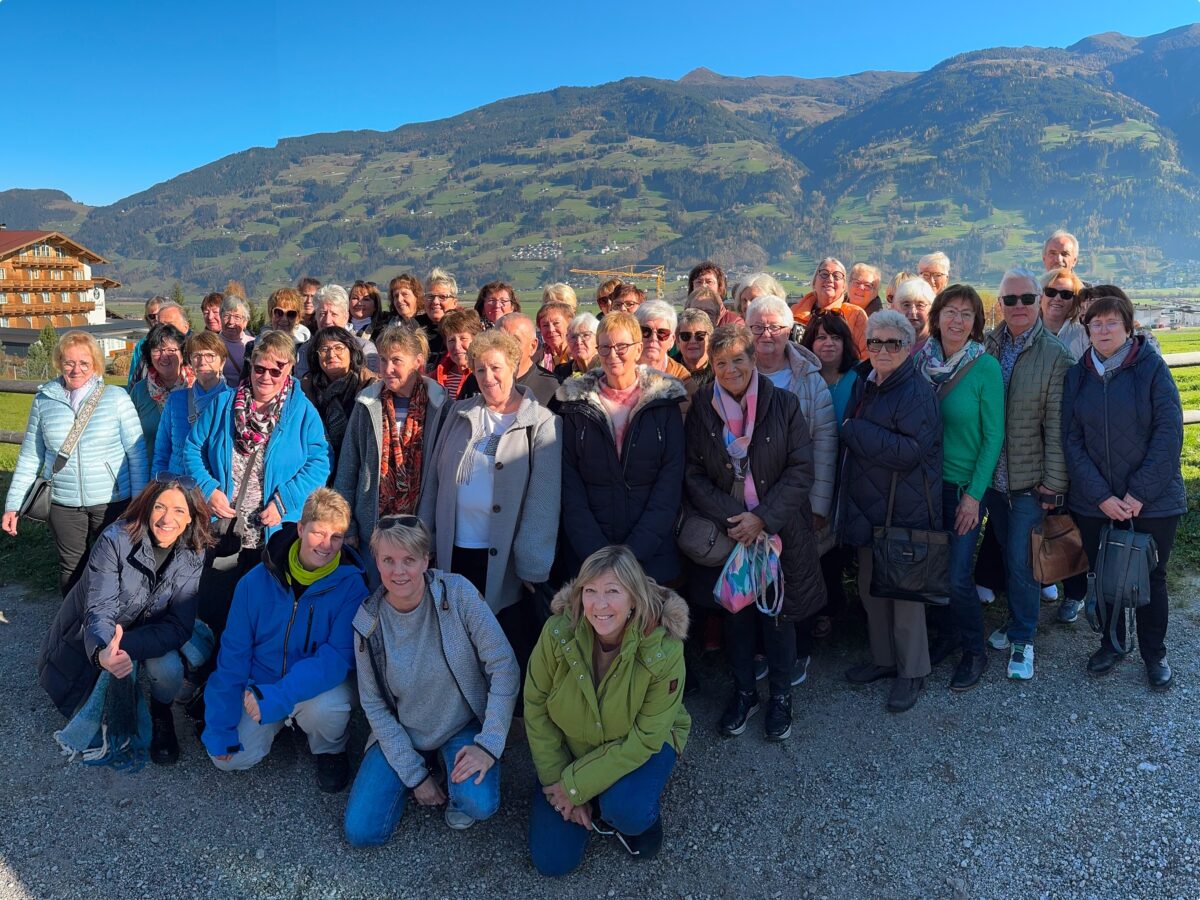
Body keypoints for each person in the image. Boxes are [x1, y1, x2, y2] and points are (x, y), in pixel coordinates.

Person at [684, 324, 826, 740]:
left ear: (754, 360)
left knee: (776, 616)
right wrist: (737, 519)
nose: (731, 370)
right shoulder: (701, 411)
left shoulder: (783, 404)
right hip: (730, 534)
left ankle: (780, 695)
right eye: (721, 363)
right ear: (712, 366)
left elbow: (801, 469)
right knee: (736, 617)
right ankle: (744, 691)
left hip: (777, 532)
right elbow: (693, 476)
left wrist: (762, 517)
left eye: (738, 360)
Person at [344, 516, 519, 842]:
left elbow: (504, 666)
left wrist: (489, 745)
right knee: (361, 831)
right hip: (405, 731)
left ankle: (452, 771)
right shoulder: (367, 622)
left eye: (409, 560)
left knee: (477, 803)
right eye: (388, 560)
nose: (399, 571)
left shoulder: (458, 594)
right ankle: (430, 768)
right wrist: (415, 776)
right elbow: (373, 705)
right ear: (377, 562)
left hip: (461, 724)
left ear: (426, 559)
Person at [525, 545, 690, 875]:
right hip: (573, 749)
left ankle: (626, 813)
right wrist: (558, 778)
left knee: (626, 809)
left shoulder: (664, 648)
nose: (599, 605)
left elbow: (645, 738)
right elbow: (535, 705)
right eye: (590, 591)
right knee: (552, 862)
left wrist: (575, 786)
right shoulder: (558, 632)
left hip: (643, 744)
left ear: (633, 598)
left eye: (612, 591)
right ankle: (592, 800)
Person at [36, 477, 212, 764]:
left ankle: (161, 711)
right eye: (160, 507)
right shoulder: (114, 540)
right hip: (99, 631)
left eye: (179, 510)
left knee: (167, 667)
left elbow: (180, 624)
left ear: (191, 516)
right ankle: (114, 714)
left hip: (143, 631)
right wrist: (104, 651)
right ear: (146, 508)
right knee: (99, 677)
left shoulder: (194, 551)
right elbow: (99, 608)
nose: (168, 519)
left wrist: (125, 646)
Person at [202, 489, 368, 791]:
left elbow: (338, 658)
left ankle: (329, 749)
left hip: (314, 689)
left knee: (327, 708)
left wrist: (280, 695)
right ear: (301, 528)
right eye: (319, 533)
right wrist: (221, 725)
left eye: (337, 537)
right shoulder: (255, 581)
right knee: (228, 759)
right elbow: (233, 655)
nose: (327, 545)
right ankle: (277, 722)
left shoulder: (353, 586)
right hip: (262, 682)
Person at [418, 330, 561, 673]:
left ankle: (509, 720)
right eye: (479, 370)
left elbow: (544, 499)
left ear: (513, 366)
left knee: (506, 647)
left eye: (495, 367)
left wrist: (531, 562)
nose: (488, 377)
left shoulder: (541, 422)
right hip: (456, 550)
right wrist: (424, 538)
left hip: (505, 559)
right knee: (458, 640)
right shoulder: (457, 413)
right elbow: (434, 481)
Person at [1063, 296, 1184, 690]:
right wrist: (1101, 497)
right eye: (1095, 325)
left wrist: (1138, 494)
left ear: (1128, 327)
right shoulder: (1077, 376)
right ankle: (1112, 644)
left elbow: (1169, 434)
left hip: (1154, 500)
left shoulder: (1151, 369)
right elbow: (1072, 441)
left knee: (1152, 577)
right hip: (1097, 502)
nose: (1102, 331)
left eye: (1111, 323)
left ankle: (1154, 654)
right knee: (1106, 575)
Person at [183, 330, 331, 641]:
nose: (266, 376)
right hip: (224, 527)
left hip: (274, 531)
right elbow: (192, 448)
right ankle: (214, 677)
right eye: (259, 368)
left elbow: (320, 463)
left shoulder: (301, 412)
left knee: (266, 615)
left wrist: (284, 501)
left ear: (289, 368)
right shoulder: (224, 404)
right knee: (216, 610)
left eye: (276, 369)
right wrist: (208, 489)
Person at [839, 310, 942, 712]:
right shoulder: (867, 382)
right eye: (876, 342)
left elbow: (909, 452)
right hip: (868, 507)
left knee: (905, 598)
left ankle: (912, 671)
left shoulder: (915, 391)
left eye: (893, 343)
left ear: (908, 347)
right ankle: (884, 660)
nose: (883, 350)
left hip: (905, 509)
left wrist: (855, 431)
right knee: (872, 590)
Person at [982, 268, 1074, 681]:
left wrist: (1053, 483)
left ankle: (1024, 637)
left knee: (1022, 562)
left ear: (1038, 301)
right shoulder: (986, 345)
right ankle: (1018, 621)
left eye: (1026, 298)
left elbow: (1058, 427)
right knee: (1008, 553)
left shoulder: (1055, 356)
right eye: (1009, 300)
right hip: (992, 481)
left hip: (1028, 483)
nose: (1018, 306)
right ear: (999, 305)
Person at [4, 332, 148, 596]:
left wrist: (139, 503)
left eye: (84, 362)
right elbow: (30, 457)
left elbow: (136, 454)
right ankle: (73, 628)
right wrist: (13, 505)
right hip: (63, 503)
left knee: (119, 563)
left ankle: (119, 627)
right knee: (72, 568)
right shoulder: (44, 400)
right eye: (69, 362)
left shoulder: (116, 398)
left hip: (113, 500)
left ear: (95, 364)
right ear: (59, 362)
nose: (76, 369)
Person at [913, 285, 1004, 691]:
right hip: (924, 485)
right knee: (932, 571)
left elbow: (993, 438)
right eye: (951, 311)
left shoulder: (984, 368)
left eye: (967, 314)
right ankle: (948, 635)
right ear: (937, 316)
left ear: (976, 323)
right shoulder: (919, 361)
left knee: (956, 574)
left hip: (964, 486)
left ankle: (974, 650)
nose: (957, 320)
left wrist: (973, 497)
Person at [554, 312, 686, 586]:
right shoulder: (576, 406)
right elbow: (570, 485)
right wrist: (597, 555)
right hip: (589, 557)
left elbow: (669, 484)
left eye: (621, 347)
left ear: (639, 349)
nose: (613, 354)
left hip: (652, 556)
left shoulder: (664, 405)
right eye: (605, 347)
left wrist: (634, 554)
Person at [334, 326, 448, 581]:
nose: (387, 369)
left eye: (397, 360)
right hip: (374, 529)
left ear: (417, 362)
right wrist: (348, 524)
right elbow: (349, 467)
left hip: (420, 529)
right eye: (383, 360)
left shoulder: (440, 406)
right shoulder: (367, 404)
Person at [800, 312, 860, 636]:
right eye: (821, 336)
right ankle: (809, 609)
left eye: (835, 337)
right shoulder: (802, 378)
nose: (827, 343)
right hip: (807, 476)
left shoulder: (856, 379)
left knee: (833, 551)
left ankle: (831, 609)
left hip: (845, 476)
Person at [153, 331, 233, 477]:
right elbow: (161, 453)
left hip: (215, 491)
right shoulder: (176, 400)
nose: (203, 362)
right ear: (190, 362)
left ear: (222, 362)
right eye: (197, 356)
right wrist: (159, 488)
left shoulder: (233, 402)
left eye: (210, 355)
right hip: (178, 489)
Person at [301, 326, 377, 477]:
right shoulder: (305, 388)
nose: (331, 354)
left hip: (360, 468)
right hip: (317, 469)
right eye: (324, 349)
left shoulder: (370, 385)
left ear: (352, 352)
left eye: (339, 348)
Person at [128, 323, 192, 465]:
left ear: (182, 355)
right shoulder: (140, 391)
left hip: (189, 478)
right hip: (150, 476)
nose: (164, 356)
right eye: (157, 350)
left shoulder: (195, 388)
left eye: (171, 350)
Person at [296, 285, 380, 379]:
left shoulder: (364, 348)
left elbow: (372, 383)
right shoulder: (305, 350)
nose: (327, 320)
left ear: (346, 316)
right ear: (316, 317)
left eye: (334, 314)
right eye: (322, 314)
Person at [790, 258, 868, 358]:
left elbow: (865, 357)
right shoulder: (793, 313)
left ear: (844, 286)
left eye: (837, 276)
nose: (830, 279)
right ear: (814, 282)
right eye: (824, 274)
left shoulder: (856, 315)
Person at [431, 308, 482, 401]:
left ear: (475, 339)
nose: (457, 346)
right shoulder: (436, 376)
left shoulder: (483, 374)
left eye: (463, 338)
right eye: (451, 340)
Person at [636, 301, 691, 382]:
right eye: (645, 331)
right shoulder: (621, 368)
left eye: (662, 333)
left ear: (672, 340)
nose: (653, 338)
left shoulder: (681, 377)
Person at [1040, 267, 1088, 360]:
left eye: (1066, 294)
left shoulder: (1083, 336)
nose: (1057, 298)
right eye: (1051, 292)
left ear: (1074, 301)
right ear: (1040, 296)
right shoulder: (1026, 331)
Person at [417, 268, 460, 359]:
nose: (435, 302)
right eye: (430, 296)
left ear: (455, 303)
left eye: (442, 297)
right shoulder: (413, 327)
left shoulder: (463, 330)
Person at [126, 296, 167, 388]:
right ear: (147, 319)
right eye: (152, 316)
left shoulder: (177, 340)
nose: (156, 319)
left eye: (159, 314)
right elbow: (133, 376)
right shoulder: (142, 345)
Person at [891, 277, 935, 356]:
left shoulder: (942, 347)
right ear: (894, 308)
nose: (912, 312)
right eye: (906, 305)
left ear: (931, 309)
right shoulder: (887, 344)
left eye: (920, 305)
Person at [219, 296, 255, 387]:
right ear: (220, 317)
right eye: (226, 316)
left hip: (246, 397)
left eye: (237, 317)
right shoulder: (212, 344)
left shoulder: (254, 345)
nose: (231, 321)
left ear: (245, 321)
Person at [554, 312, 599, 381]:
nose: (578, 341)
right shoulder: (561, 373)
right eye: (573, 337)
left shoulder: (609, 370)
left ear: (598, 339)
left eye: (585, 335)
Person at [674, 308, 713, 384]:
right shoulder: (668, 370)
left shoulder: (720, 369)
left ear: (710, 338)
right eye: (685, 336)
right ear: (678, 340)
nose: (692, 341)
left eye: (699, 335)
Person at [536, 302, 573, 370]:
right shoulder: (536, 359)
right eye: (545, 325)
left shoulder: (578, 354)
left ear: (570, 324)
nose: (551, 330)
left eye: (556, 323)